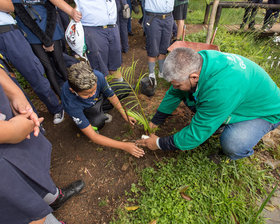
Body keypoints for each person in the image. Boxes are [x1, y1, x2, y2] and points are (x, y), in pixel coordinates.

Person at [137, 48, 280, 160]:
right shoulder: (201, 61)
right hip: (237, 98)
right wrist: (156, 121)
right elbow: (174, 93)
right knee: (188, 95)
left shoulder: (221, 89)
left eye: (177, 84)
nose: (174, 88)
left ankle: (235, 154)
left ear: (194, 77)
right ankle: (220, 121)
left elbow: (196, 133)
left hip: (264, 112)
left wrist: (159, 144)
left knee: (234, 143)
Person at [0, 67, 85, 224]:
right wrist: (10, 131)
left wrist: (16, 95)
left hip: (12, 123)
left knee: (29, 169)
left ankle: (53, 197)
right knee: (21, 207)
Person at [61, 61, 145, 158]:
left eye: (94, 90)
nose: (92, 95)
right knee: (98, 122)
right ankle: (92, 118)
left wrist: (124, 114)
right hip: (85, 109)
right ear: (73, 90)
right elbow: (93, 136)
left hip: (99, 99)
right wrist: (124, 146)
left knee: (124, 88)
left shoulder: (97, 76)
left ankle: (100, 110)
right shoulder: (70, 103)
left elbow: (111, 95)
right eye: (86, 94)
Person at [0, 0, 64, 124]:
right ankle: (29, 121)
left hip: (6, 31)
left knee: (33, 73)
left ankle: (56, 108)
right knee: (7, 86)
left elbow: (10, 6)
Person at [12, 0, 74, 96]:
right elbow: (23, 15)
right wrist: (45, 40)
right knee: (48, 67)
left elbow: (52, 11)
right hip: (32, 34)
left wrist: (48, 38)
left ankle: (75, 90)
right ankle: (62, 96)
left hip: (51, 30)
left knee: (60, 63)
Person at [51, 0, 123, 81]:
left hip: (112, 26)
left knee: (115, 66)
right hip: (93, 29)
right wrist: (71, 11)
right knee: (100, 71)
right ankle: (105, 92)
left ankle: (122, 90)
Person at [143, 0, 175, 94]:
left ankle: (162, 72)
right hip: (153, 17)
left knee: (164, 47)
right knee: (152, 47)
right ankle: (152, 74)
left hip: (168, 17)